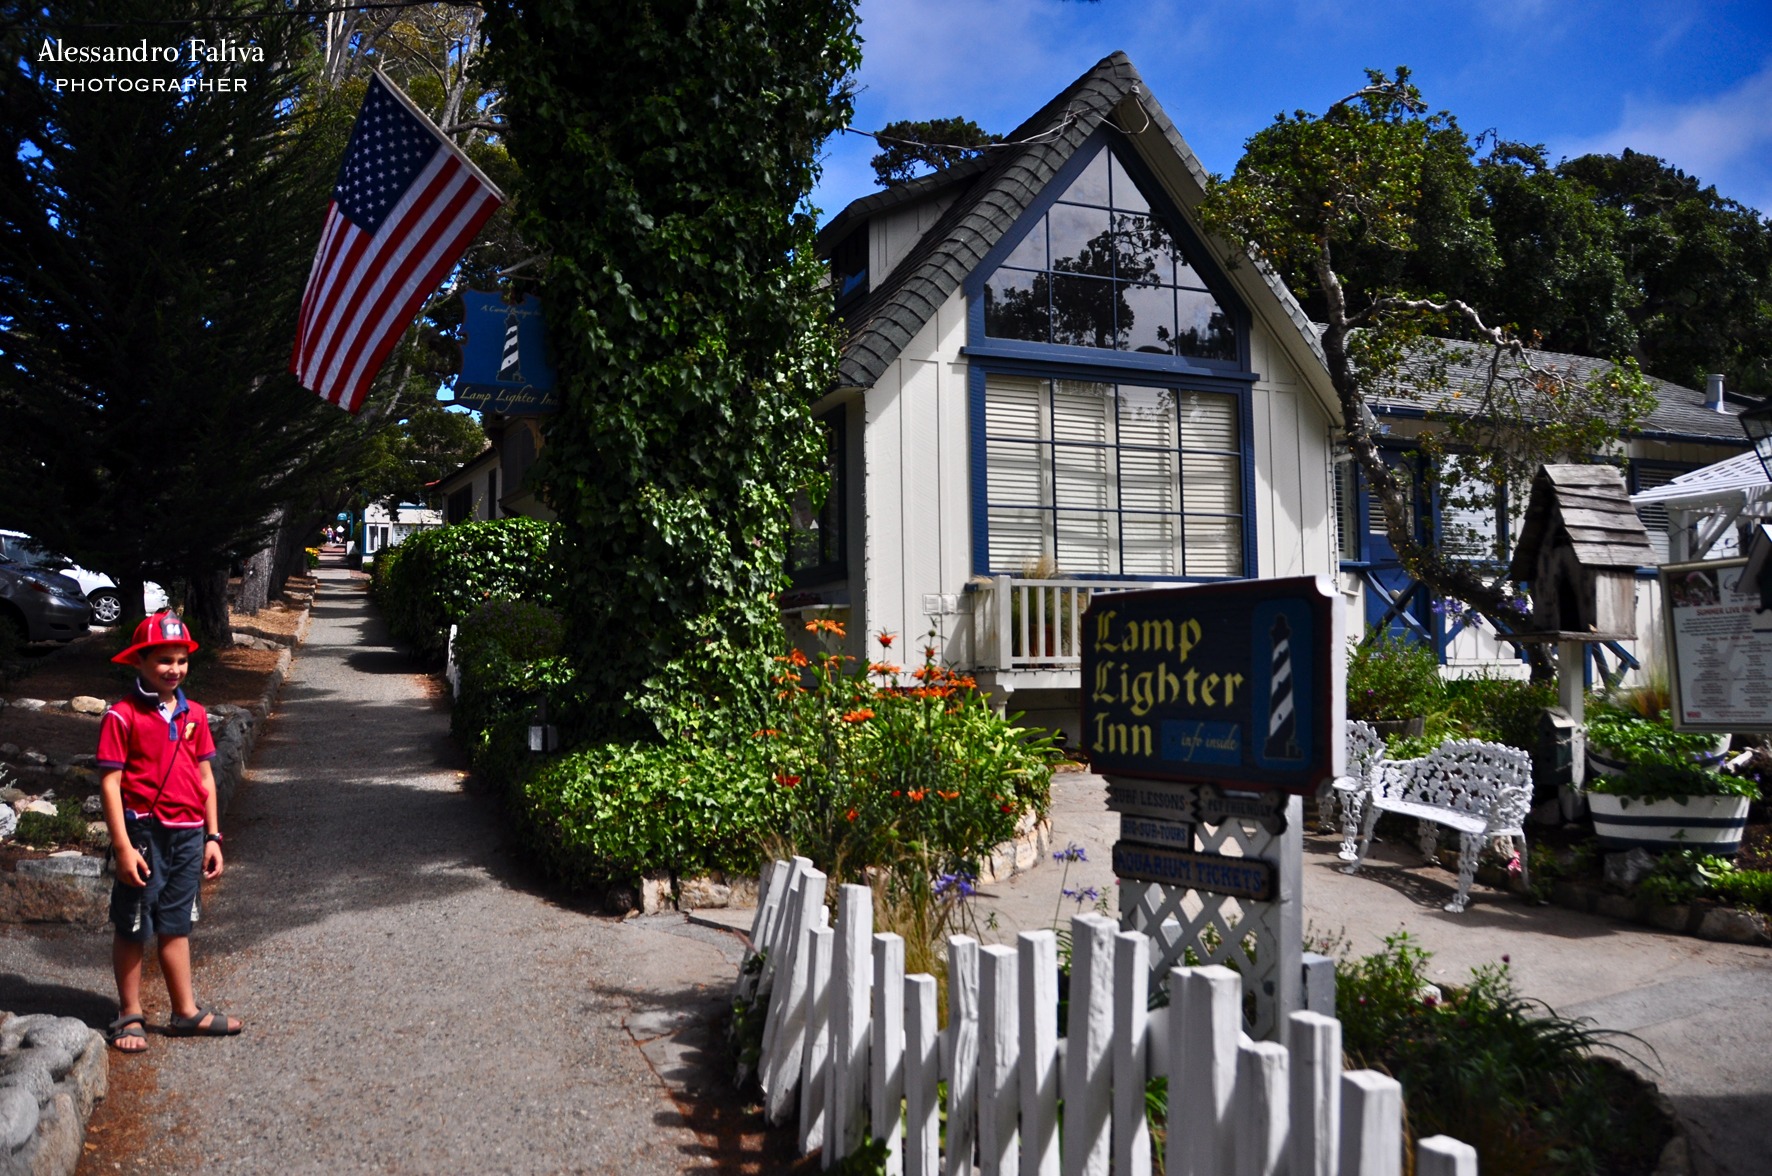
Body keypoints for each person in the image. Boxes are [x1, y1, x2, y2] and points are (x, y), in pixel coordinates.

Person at [96, 611, 243, 1052]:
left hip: (189, 834)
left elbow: (205, 780)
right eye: (164, 659)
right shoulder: (122, 716)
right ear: (139, 661)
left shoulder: (193, 713)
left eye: (181, 660)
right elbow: (110, 782)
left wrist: (213, 837)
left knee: (177, 924)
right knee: (134, 925)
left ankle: (185, 1011)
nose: (174, 668)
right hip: (143, 835)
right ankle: (129, 1013)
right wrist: (122, 847)